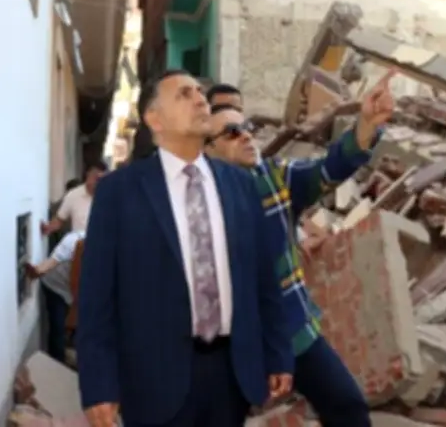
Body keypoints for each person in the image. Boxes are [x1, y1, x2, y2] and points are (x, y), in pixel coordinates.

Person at [76, 69, 293, 427]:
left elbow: (263, 280)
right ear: (154, 119)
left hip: (231, 374)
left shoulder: (240, 185)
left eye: (200, 92)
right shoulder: (120, 192)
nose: (200, 100)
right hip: (153, 380)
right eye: (184, 94)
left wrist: (278, 353)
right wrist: (98, 384)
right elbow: (96, 296)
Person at [204, 71, 395, 427]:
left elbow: (328, 170)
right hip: (233, 344)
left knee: (348, 407)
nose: (246, 135)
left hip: (292, 330)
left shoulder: (274, 178)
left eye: (247, 127)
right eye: (231, 132)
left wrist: (367, 124)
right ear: (207, 150)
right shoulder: (197, 206)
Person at [25, 230, 86, 364]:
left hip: (75, 291)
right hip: (56, 287)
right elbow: (50, 263)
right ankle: (57, 364)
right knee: (58, 329)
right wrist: (36, 271)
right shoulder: (72, 241)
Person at [41, 162, 107, 236]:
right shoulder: (73, 195)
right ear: (87, 174)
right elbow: (60, 219)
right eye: (96, 177)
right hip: (80, 241)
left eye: (101, 179)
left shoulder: (109, 197)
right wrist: (47, 228)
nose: (98, 182)